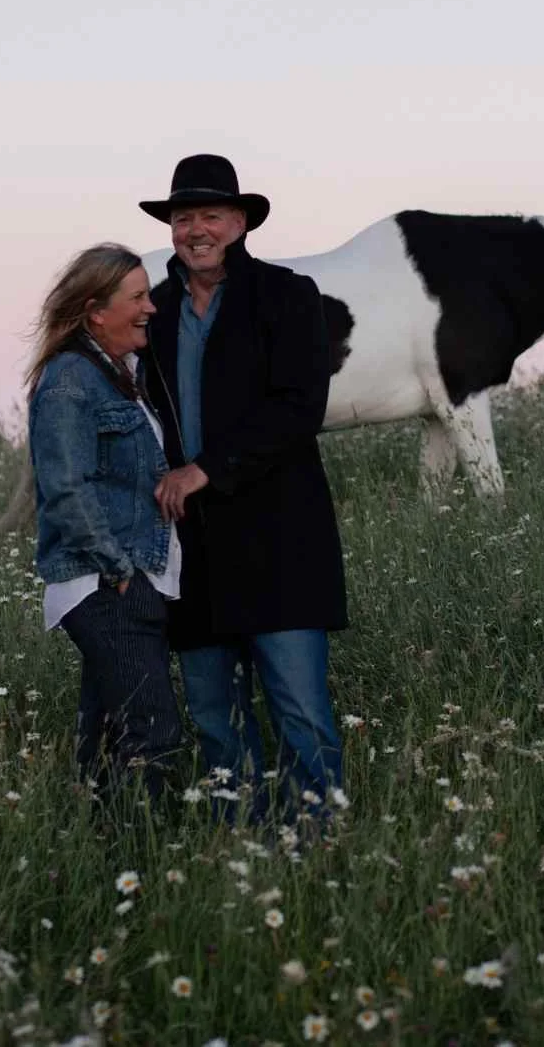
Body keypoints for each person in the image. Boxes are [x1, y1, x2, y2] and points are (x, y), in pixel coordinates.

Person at [139, 154, 347, 817]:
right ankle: (243, 849)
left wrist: (207, 468)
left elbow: (298, 407)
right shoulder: (153, 313)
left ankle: (317, 848)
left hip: (280, 540)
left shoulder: (288, 296)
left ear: (239, 222)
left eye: (209, 215)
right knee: (213, 717)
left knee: (302, 713)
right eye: (182, 217)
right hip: (191, 550)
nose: (194, 229)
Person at [27, 244, 183, 803]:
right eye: (137, 297)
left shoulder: (119, 374)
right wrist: (120, 570)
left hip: (124, 581)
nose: (150, 308)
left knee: (108, 738)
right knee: (154, 735)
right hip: (107, 585)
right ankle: (139, 866)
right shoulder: (71, 379)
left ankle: (101, 861)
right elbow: (65, 489)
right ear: (96, 310)